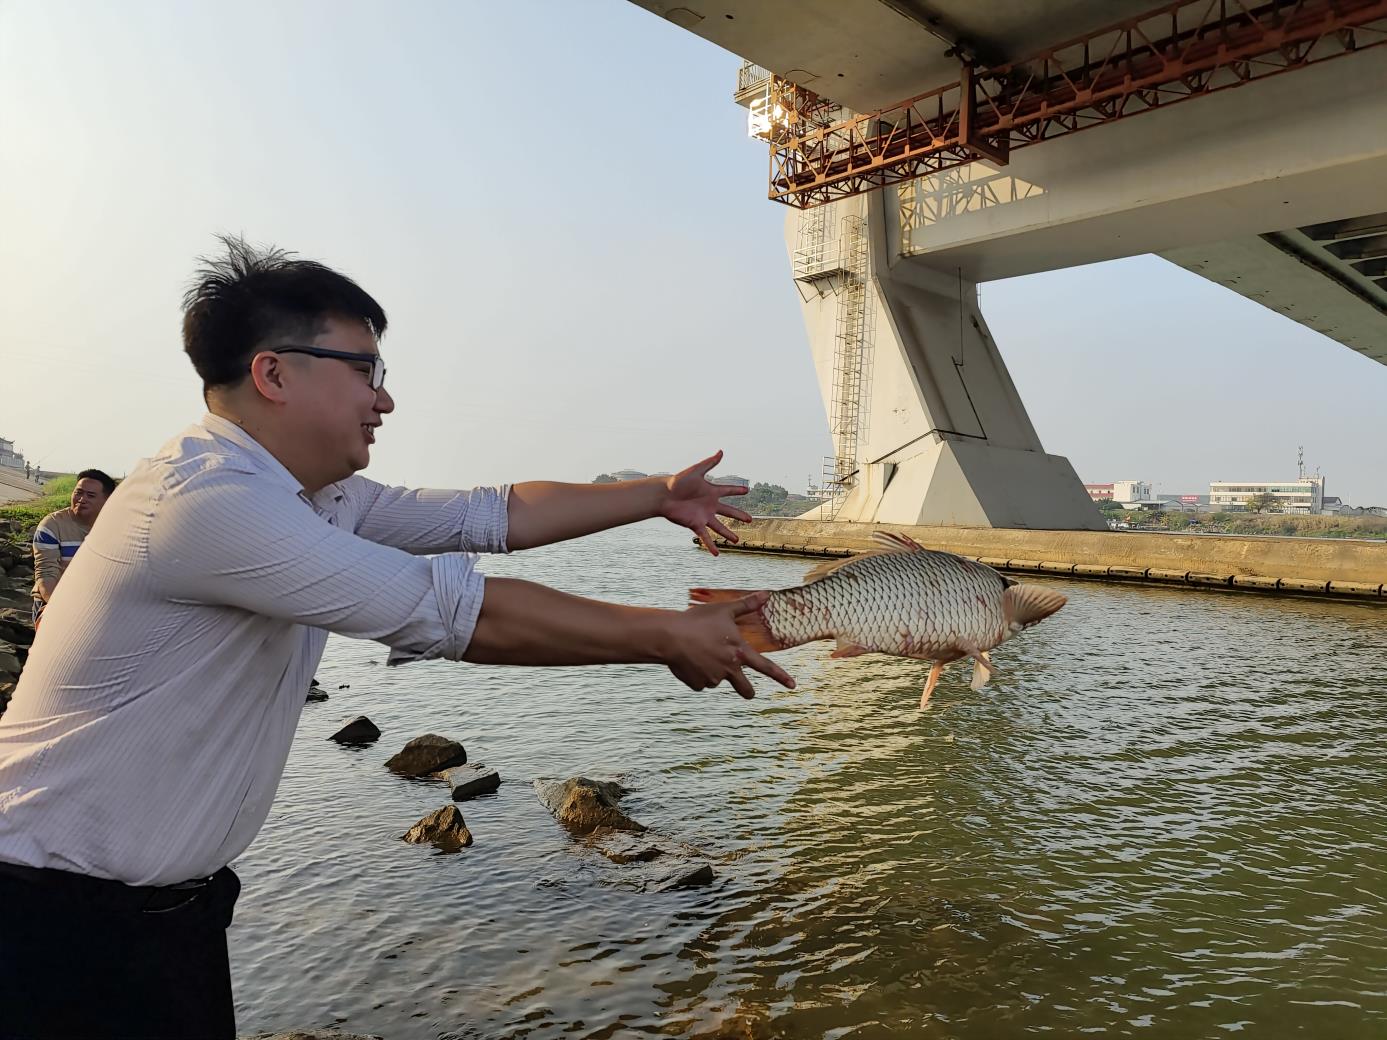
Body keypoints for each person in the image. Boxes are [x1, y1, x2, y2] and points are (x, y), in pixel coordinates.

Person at [0, 236, 794, 1040]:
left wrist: (654, 495)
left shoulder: (317, 495)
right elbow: (462, 613)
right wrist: (669, 635)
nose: (383, 400)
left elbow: (488, 513)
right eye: (364, 371)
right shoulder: (205, 503)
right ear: (274, 373)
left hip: (169, 913)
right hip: (47, 914)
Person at [29, 467, 116, 623]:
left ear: (107, 500)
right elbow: (46, 574)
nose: (82, 499)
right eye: (78, 493)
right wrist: (60, 608)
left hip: (97, 602)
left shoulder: (117, 527)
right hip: (54, 599)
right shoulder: (52, 526)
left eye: (90, 495)